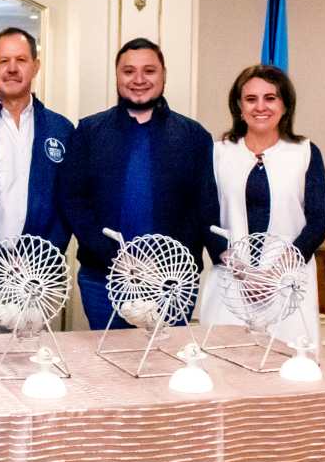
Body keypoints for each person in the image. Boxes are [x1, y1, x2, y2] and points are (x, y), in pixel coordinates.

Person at [59, 38, 221, 330]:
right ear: (117, 76)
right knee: (108, 357)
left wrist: (182, 261)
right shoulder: (89, 132)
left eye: (149, 70)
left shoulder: (194, 136)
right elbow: (73, 200)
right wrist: (110, 254)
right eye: (128, 71)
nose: (139, 79)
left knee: (166, 358)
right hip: (103, 279)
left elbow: (204, 207)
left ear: (163, 74)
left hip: (172, 282)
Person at [196, 64, 325, 350]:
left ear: (285, 105)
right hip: (231, 282)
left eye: (270, 98)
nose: (260, 107)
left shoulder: (305, 153)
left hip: (288, 282)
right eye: (251, 99)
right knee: (224, 365)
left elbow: (317, 224)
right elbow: (205, 220)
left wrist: (273, 276)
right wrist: (245, 274)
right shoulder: (218, 153)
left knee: (289, 366)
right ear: (238, 106)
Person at [0, 27, 74, 334]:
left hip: (40, 279)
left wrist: (44, 255)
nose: (12, 68)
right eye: (4, 61)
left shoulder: (61, 129)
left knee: (37, 359)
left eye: (21, 60)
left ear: (36, 66)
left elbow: (69, 204)